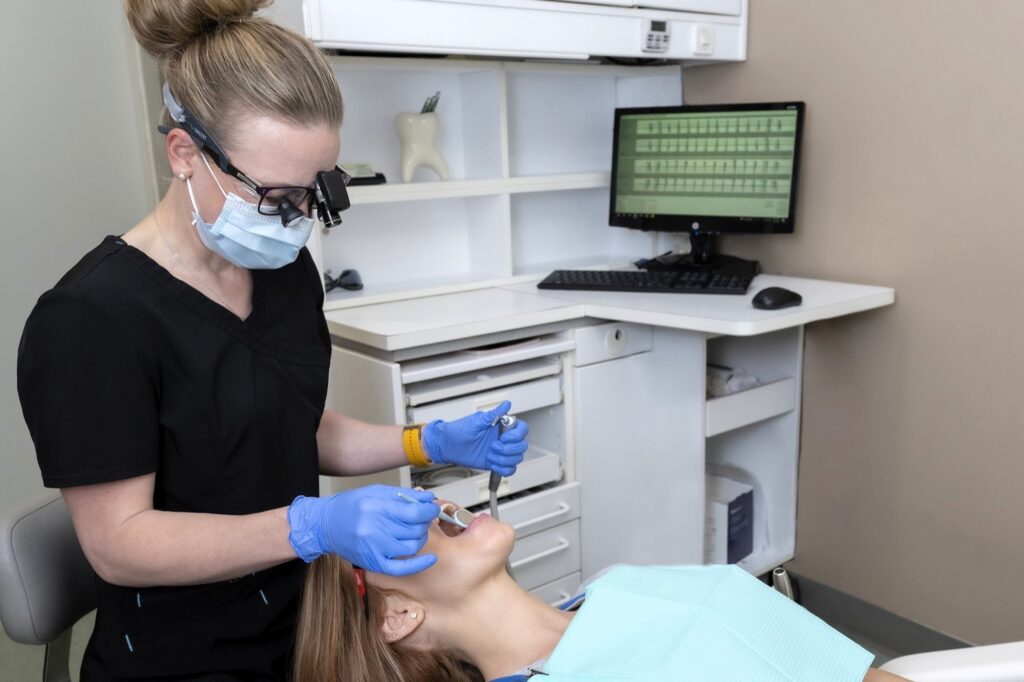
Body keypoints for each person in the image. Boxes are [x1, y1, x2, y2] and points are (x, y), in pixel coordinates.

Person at [15, 0, 528, 679]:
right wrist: (311, 526)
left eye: (318, 189)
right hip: (186, 655)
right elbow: (120, 544)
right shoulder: (90, 321)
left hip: (307, 619)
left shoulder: (283, 274)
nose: (298, 220)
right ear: (185, 155)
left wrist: (425, 440)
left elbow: (291, 427)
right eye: (277, 196)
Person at [294, 500, 911, 682]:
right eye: (392, 527)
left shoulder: (619, 587)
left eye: (412, 499)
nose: (431, 504)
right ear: (397, 614)